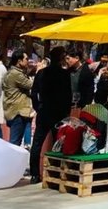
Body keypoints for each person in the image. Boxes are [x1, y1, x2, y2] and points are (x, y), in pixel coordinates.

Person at [29, 46, 72, 184]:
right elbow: (68, 96)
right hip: (58, 113)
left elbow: (34, 93)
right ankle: (56, 171)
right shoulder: (64, 74)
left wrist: (38, 107)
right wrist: (66, 112)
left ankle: (34, 174)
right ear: (60, 58)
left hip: (44, 110)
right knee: (58, 143)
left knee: (37, 143)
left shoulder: (41, 73)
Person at [3, 50, 34, 147]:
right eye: (26, 59)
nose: (28, 61)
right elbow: (31, 84)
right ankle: (10, 161)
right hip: (17, 112)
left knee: (16, 141)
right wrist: (38, 71)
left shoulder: (13, 72)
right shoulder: (16, 74)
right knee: (15, 142)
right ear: (19, 61)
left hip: (15, 110)